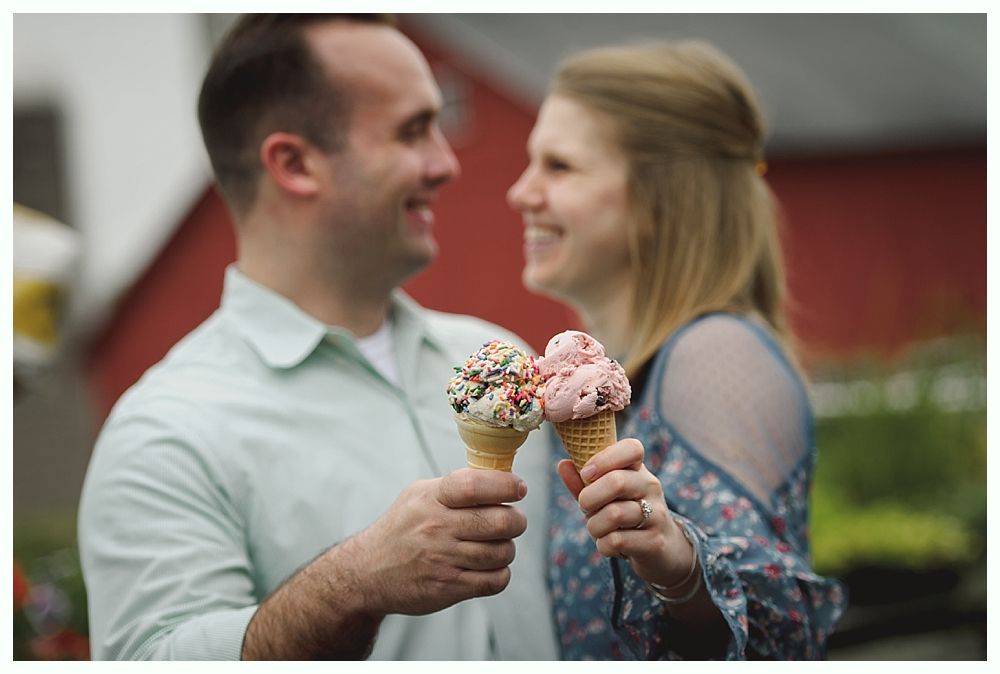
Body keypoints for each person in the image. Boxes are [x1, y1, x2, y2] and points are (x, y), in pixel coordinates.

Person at [77, 14, 557, 660]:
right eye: (413, 131)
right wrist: (355, 581)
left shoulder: (500, 357)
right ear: (296, 164)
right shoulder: (165, 431)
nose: (445, 163)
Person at [507, 40, 847, 659]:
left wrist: (680, 567)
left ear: (659, 197)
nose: (520, 192)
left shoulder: (717, 352)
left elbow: (776, 614)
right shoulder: (639, 372)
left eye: (558, 167)